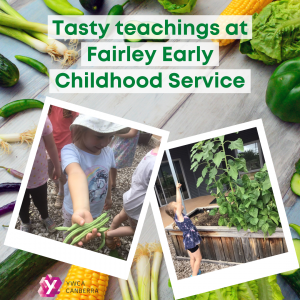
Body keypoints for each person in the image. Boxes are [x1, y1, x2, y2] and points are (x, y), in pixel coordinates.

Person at [61, 115, 130, 246]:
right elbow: (76, 173)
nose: (105, 143)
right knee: (71, 233)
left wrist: (108, 197)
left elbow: (106, 175)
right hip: (73, 211)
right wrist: (82, 209)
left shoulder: (108, 152)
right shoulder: (70, 151)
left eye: (111, 137)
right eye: (99, 136)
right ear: (81, 130)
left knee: (87, 233)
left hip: (96, 209)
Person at [105, 145, 159, 249]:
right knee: (135, 230)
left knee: (121, 216)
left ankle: (111, 229)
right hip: (137, 204)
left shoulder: (153, 152)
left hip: (131, 196)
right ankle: (109, 235)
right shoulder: (156, 163)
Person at [19, 116, 61, 233]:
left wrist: (57, 167)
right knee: (21, 203)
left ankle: (44, 217)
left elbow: (51, 146)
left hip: (39, 176)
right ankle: (25, 221)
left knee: (41, 201)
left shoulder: (43, 121)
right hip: (19, 178)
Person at [165, 183, 202, 277]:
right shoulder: (179, 215)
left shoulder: (178, 217)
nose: (179, 204)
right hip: (191, 240)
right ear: (175, 210)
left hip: (188, 240)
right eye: (176, 204)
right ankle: (194, 276)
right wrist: (177, 189)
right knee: (198, 258)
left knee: (192, 258)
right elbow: (179, 201)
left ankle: (195, 272)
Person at [48, 105, 79, 208]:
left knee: (62, 173)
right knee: (49, 169)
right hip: (50, 144)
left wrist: (74, 144)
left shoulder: (69, 107)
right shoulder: (47, 106)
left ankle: (61, 193)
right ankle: (56, 184)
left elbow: (76, 126)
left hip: (65, 145)